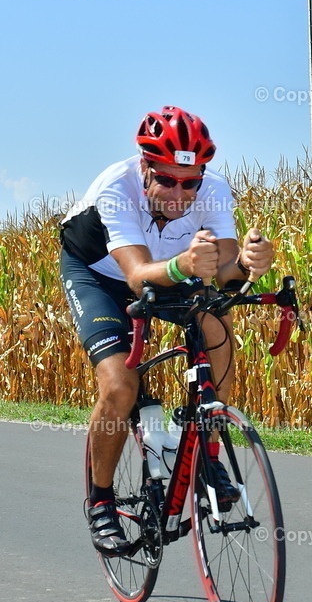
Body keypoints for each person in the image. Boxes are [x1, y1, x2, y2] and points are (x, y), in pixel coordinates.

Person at [59, 105, 274, 554]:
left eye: (190, 182)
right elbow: (137, 276)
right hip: (99, 273)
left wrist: (251, 266)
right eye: (167, 180)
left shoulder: (212, 190)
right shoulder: (115, 190)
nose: (180, 193)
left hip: (176, 270)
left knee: (218, 327)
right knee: (120, 384)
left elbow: (228, 275)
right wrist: (185, 264)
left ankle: (207, 453)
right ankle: (100, 502)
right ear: (145, 168)